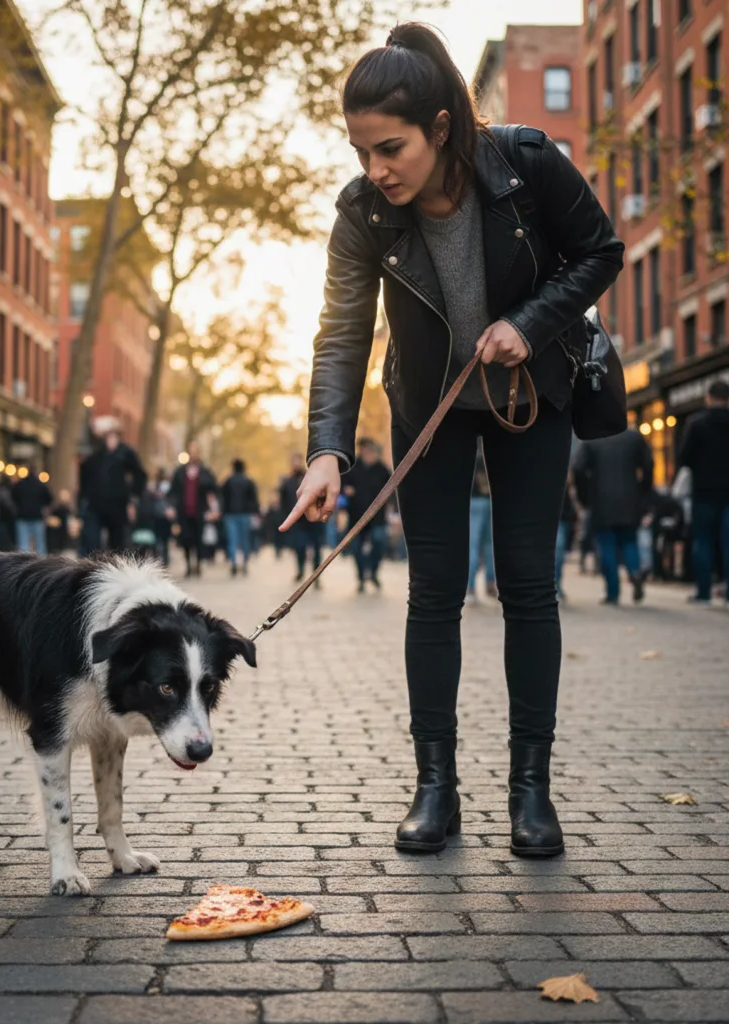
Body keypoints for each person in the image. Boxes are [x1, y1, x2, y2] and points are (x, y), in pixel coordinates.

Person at [281, 23, 624, 858]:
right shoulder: (363, 210)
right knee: (432, 591)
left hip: (530, 395)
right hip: (428, 407)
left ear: (440, 128)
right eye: (361, 151)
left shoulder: (526, 162)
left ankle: (531, 792)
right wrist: (325, 450)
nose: (375, 169)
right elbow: (341, 333)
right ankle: (435, 788)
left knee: (528, 585)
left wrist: (529, 323)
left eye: (389, 148)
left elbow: (600, 251)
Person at [574, 429, 652, 606]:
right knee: (629, 541)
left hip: (601, 501)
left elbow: (578, 469)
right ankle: (635, 571)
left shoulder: (591, 438)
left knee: (606, 545)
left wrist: (584, 497)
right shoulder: (634, 437)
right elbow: (648, 465)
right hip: (630, 499)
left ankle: (613, 592)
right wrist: (643, 491)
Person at [677, 380, 729, 607]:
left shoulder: (697, 424)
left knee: (703, 541)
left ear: (708, 397)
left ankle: (704, 592)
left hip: (704, 491)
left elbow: (684, 458)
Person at [79, 420, 147, 554]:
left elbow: (140, 476)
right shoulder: (96, 453)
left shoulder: (126, 453)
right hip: (95, 505)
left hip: (118, 505)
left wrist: (133, 500)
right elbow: (84, 477)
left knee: (118, 543)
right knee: (91, 540)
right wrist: (83, 500)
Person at [344, 437, 392, 592]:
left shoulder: (382, 469)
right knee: (356, 548)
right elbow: (341, 485)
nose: (365, 451)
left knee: (379, 542)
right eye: (362, 448)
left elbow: (392, 490)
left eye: (368, 448)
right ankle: (361, 577)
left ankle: (373, 571)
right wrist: (346, 490)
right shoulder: (352, 467)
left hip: (377, 516)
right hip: (356, 515)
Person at [169, 442, 219, 577]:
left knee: (198, 539)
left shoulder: (206, 472)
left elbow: (214, 491)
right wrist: (171, 507)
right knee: (186, 538)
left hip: (200, 512)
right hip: (184, 512)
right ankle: (188, 565)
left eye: (195, 451)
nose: (193, 454)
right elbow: (173, 492)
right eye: (191, 451)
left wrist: (214, 510)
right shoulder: (180, 472)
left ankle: (197, 564)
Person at [280, 452, 324, 586]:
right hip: (298, 521)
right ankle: (300, 570)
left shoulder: (312, 478)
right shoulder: (287, 482)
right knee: (299, 547)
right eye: (293, 461)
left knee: (316, 548)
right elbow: (284, 502)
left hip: (314, 520)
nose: (296, 464)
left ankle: (316, 575)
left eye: (298, 461)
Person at [466, 444, 495, 602]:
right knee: (490, 545)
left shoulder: (473, 457)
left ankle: (470, 587)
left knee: (473, 545)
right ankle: (491, 583)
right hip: (489, 501)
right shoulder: (489, 455)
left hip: (474, 501)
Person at [222, 458, 260, 576]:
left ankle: (233, 562)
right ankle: (245, 562)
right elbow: (254, 499)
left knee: (232, 540)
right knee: (245, 540)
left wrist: (223, 512)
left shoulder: (228, 481)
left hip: (230, 514)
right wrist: (256, 512)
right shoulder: (248, 481)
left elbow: (223, 498)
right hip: (245, 514)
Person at [11, 466, 53, 554]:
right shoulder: (40, 485)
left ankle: (23, 562)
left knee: (23, 545)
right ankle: (41, 562)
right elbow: (49, 498)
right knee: (40, 545)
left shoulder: (20, 484)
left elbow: (13, 497)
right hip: (37, 517)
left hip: (22, 517)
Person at [554, 470, 578, 603]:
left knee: (558, 552)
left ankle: (556, 584)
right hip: (557, 516)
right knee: (558, 552)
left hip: (560, 516)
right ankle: (555, 585)